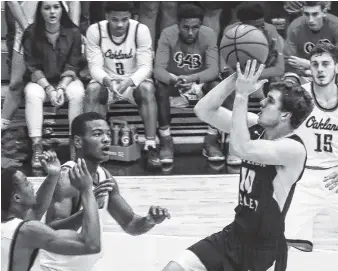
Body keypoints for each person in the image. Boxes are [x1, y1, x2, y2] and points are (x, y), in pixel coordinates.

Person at [161, 60, 313, 271]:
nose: (261, 103)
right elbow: (203, 110)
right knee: (174, 269)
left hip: (261, 251)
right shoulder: (254, 126)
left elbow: (240, 148)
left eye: (269, 101)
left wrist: (242, 95)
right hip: (233, 235)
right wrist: (235, 79)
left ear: (285, 115)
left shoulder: (293, 149)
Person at [33, 112, 171, 271]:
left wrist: (150, 220)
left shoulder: (105, 176)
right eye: (97, 134)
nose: (106, 139)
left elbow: (130, 223)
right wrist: (89, 206)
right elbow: (52, 233)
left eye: (107, 134)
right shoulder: (67, 178)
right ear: (78, 141)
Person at [84, 2, 160, 169]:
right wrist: (107, 81)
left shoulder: (141, 30)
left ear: (131, 17)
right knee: (92, 90)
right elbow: (94, 67)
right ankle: (91, 149)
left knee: (148, 89)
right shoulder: (95, 30)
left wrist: (130, 82)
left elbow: (146, 67)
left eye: (125, 20)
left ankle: (150, 144)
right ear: (106, 17)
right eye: (115, 20)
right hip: (108, 81)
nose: (120, 24)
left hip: (132, 83)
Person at [1, 151, 102, 270]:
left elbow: (36, 210)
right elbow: (91, 245)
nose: (32, 185)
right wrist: (87, 191)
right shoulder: (28, 231)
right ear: (17, 197)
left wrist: (53, 175)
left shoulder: (7, 224)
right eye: (27, 183)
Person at [285, 43, 338, 252]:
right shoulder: (297, 97)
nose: (320, 69)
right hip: (301, 178)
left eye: (326, 64)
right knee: (287, 244)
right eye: (315, 64)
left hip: (334, 176)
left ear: (336, 67)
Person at [154, 4, 222, 164]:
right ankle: (165, 139)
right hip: (174, 82)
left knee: (216, 85)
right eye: (186, 27)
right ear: (178, 24)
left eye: (195, 27)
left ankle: (211, 139)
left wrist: (190, 79)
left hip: (197, 82)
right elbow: (158, 70)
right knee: (159, 86)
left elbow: (213, 70)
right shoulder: (167, 34)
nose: (190, 32)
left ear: (201, 25)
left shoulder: (209, 34)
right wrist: (174, 80)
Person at [21, 1, 84, 168]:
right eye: (47, 8)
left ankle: (75, 144)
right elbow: (32, 67)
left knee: (78, 93)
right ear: (40, 11)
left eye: (56, 7)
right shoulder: (31, 33)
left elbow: (73, 64)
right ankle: (37, 145)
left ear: (62, 9)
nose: (52, 12)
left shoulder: (74, 32)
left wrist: (61, 87)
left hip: (66, 80)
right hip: (41, 82)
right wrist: (49, 89)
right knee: (32, 94)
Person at [222, 1, 286, 166]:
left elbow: (279, 68)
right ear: (243, 25)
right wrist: (247, 78)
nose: (260, 29)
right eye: (255, 27)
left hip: (264, 77)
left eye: (261, 25)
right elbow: (225, 69)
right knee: (228, 85)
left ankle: (274, 137)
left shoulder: (270, 30)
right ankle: (232, 139)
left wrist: (254, 76)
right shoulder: (231, 33)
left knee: (279, 86)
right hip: (239, 76)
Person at [1, 1, 81, 131]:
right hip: (27, 27)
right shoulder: (30, 32)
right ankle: (2, 127)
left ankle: (49, 128)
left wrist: (73, 30)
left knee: (54, 79)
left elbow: (74, 1)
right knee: (15, 84)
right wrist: (29, 30)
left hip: (58, 29)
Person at [284, 1, 338, 81]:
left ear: (324, 12)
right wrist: (309, 72)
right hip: (305, 74)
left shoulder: (335, 25)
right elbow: (289, 61)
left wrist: (309, 64)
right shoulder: (295, 27)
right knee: (288, 81)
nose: (310, 20)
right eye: (306, 14)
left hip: (332, 74)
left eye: (315, 14)